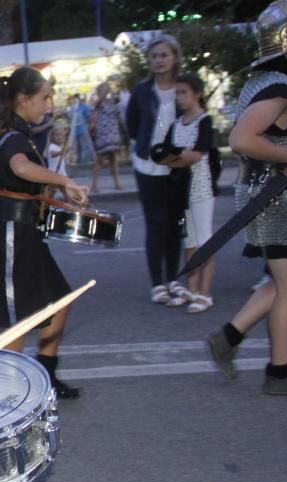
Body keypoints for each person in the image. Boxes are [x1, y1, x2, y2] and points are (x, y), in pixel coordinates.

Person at [205, 0, 287, 396]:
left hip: (270, 192)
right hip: (276, 195)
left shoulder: (266, 80)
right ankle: (280, 372)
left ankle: (229, 337)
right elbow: (242, 139)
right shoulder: (278, 87)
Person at [0, 66, 89, 400]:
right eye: (44, 98)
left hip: (26, 234)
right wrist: (65, 181)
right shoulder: (12, 137)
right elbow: (21, 168)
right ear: (23, 99)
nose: (48, 105)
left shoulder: (19, 133)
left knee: (60, 302)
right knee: (17, 321)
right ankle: (8, 391)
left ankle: (47, 374)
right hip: (12, 235)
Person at [126, 34, 187, 305]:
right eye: (154, 56)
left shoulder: (186, 87)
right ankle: (157, 284)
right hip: (147, 165)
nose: (159, 60)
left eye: (164, 55)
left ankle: (173, 279)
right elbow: (131, 125)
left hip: (178, 165)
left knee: (175, 224)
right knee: (155, 224)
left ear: (174, 57)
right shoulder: (141, 91)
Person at [156, 72, 218, 313]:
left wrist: (175, 158)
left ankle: (206, 292)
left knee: (205, 240)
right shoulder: (176, 124)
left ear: (198, 94)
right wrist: (177, 158)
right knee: (189, 241)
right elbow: (168, 156)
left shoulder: (205, 120)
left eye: (184, 93)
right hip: (181, 189)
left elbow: (197, 154)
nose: (179, 98)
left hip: (201, 188)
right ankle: (191, 288)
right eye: (177, 93)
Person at [90, 82, 123, 192]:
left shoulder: (112, 102)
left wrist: (111, 89)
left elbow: (118, 101)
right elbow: (99, 102)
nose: (106, 91)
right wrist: (105, 89)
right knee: (100, 160)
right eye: (103, 89)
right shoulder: (97, 102)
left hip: (113, 133)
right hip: (103, 135)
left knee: (113, 159)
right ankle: (95, 185)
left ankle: (117, 183)